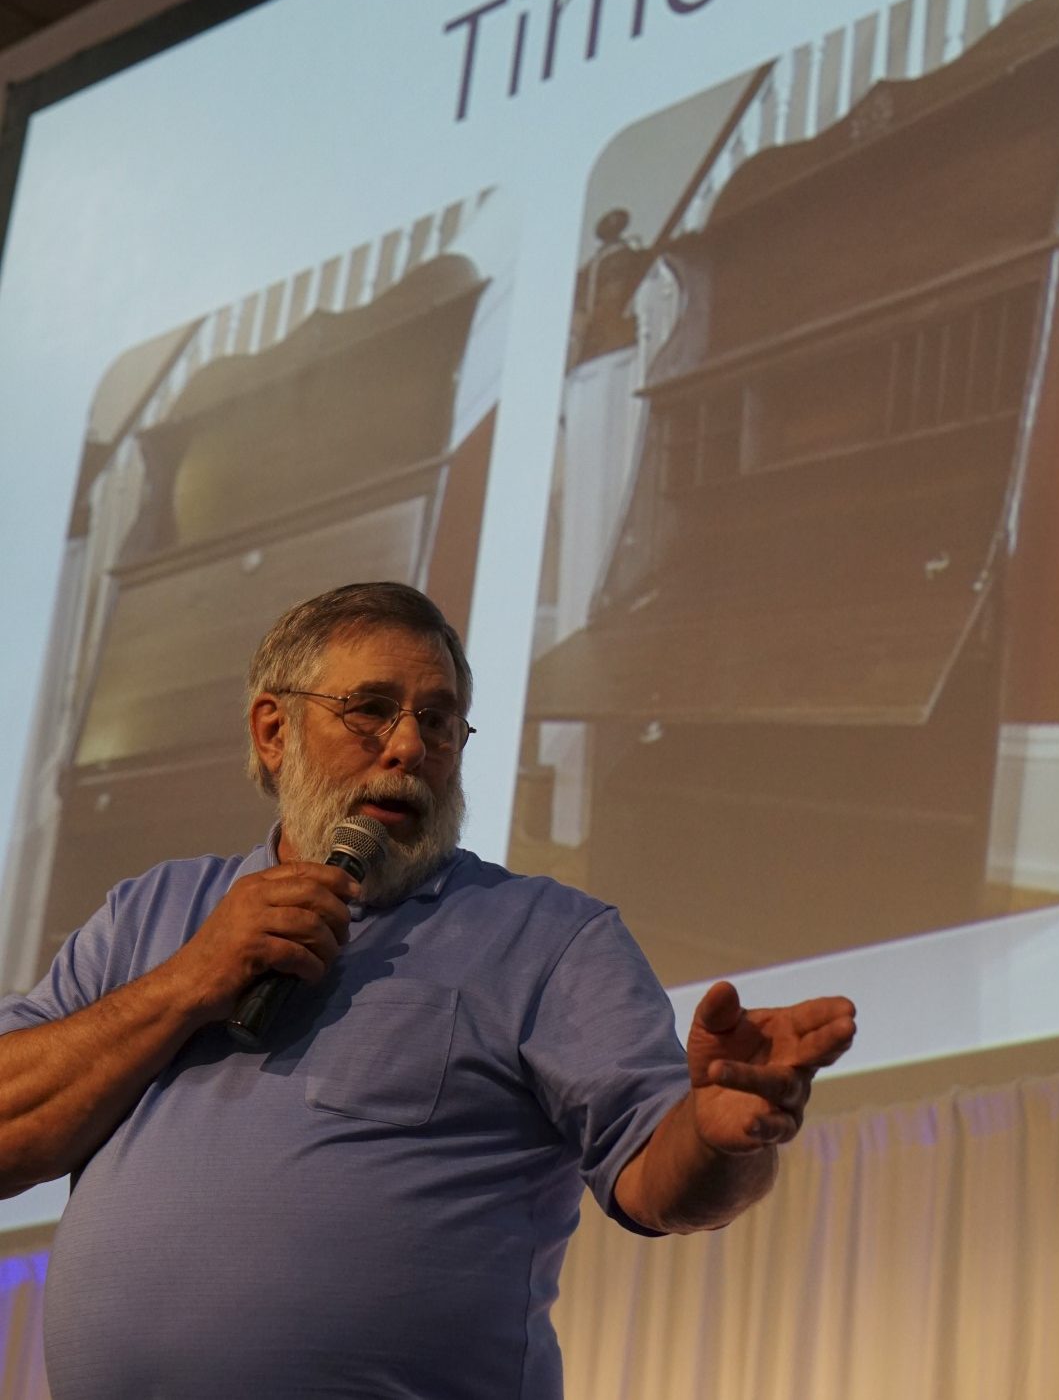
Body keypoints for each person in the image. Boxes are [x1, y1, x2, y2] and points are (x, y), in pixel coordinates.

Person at [0, 582, 855, 1400]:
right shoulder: (148, 913)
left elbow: (659, 1182)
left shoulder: (548, 937)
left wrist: (718, 1138)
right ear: (273, 730)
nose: (409, 747)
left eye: (438, 721)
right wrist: (190, 980)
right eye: (370, 709)